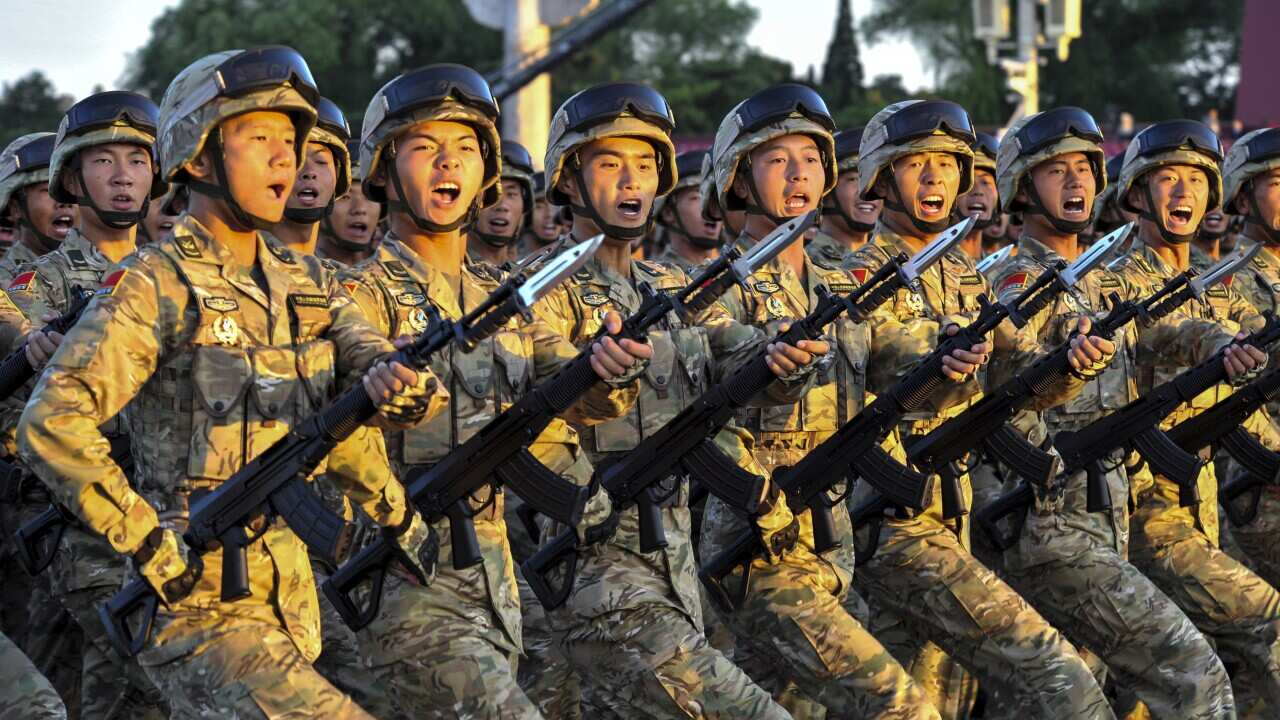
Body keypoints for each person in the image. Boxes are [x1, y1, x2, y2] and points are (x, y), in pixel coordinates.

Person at [17, 46, 445, 718]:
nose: (286, 159)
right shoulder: (155, 283)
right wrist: (150, 543)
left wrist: (403, 392)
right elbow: (51, 423)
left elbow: (362, 379)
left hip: (290, 594)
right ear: (198, 154)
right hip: (199, 605)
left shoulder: (302, 281)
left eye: (290, 140)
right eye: (259, 138)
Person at [340, 63, 651, 719]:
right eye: (424, 147)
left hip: (494, 572)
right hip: (405, 575)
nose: (447, 163)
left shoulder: (504, 299)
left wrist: (609, 367)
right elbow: (337, 399)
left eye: (464, 149)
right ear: (384, 169)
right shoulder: (355, 295)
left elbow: (569, 386)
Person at [536, 81, 836, 720]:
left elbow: (731, 351)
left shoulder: (671, 286)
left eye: (645, 165)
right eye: (611, 164)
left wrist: (778, 349)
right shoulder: (540, 291)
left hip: (671, 561)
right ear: (567, 179)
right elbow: (529, 398)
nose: (631, 181)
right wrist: (587, 377)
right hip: (591, 569)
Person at [842, 99, 1112, 719]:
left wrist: (1070, 363)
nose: (935, 178)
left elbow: (1018, 389)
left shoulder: (968, 278)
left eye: (947, 165)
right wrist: (926, 369)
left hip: (952, 515)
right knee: (1057, 678)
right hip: (886, 516)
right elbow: (836, 398)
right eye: (917, 164)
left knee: (936, 701)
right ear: (882, 177)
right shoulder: (854, 276)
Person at [699, 84, 943, 719]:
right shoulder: (712, 290)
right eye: (778, 160)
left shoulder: (844, 284)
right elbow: (713, 377)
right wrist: (766, 358)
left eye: (811, 158)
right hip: (758, 552)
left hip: (832, 550)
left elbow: (910, 368)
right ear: (739, 179)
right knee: (900, 707)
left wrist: (953, 360)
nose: (800, 172)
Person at [985, 107, 1234, 718]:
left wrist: (1226, 341)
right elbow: (1004, 388)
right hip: (1043, 521)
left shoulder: (1106, 280)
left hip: (1106, 514)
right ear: (1022, 186)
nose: (1077, 183)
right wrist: (1062, 361)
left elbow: (1167, 329)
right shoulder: (1009, 282)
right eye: (1057, 171)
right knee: (1190, 674)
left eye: (1085, 169)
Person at [8, 89, 173, 720]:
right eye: (103, 161)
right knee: (165, 667)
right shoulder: (37, 288)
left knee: (117, 696)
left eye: (136, 159)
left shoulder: (181, 276)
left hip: (167, 513)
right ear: (73, 177)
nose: (124, 175)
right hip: (81, 522)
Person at [1108, 119, 1280, 713]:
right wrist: (1212, 342)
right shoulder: (1110, 282)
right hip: (1137, 511)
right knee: (1267, 626)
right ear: (1135, 192)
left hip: (1197, 504)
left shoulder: (1214, 284)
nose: (1183, 194)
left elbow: (1248, 400)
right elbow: (1171, 330)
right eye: (1167, 179)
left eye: (1195, 181)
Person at [0, 133, 76, 286]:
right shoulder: (8, 281)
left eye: (71, 188)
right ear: (16, 208)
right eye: (48, 191)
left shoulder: (107, 266)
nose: (64, 201)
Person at [807, 126, 881, 267]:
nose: (867, 189)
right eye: (853, 179)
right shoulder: (809, 265)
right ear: (826, 193)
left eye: (873, 179)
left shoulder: (888, 261)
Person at [650, 149, 722, 272]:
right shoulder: (656, 280)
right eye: (698, 197)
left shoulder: (736, 273)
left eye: (716, 198)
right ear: (668, 213)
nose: (712, 208)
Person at [467, 138, 535, 269]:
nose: (502, 206)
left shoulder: (528, 278)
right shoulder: (450, 273)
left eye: (511, 194)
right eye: (490, 193)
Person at [318, 139, 380, 267]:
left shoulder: (394, 277)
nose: (360, 209)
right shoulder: (300, 273)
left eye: (369, 196)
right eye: (345, 197)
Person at [954, 132, 1000, 262]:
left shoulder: (1000, 269)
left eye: (986, 183)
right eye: (969, 182)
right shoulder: (935, 267)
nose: (978, 191)